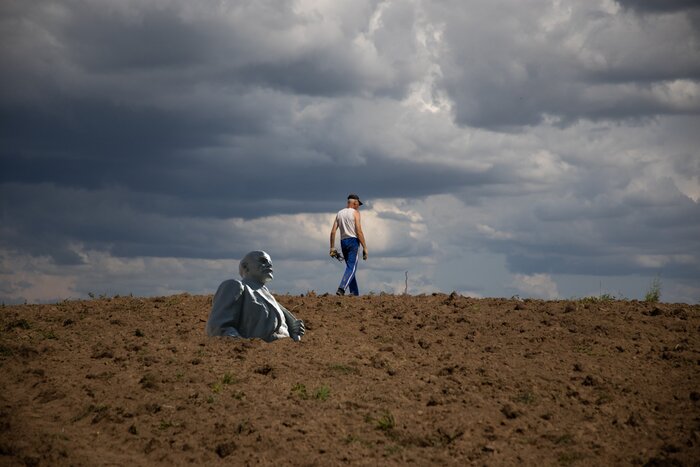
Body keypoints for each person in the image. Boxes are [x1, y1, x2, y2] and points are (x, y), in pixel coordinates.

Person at [206, 250, 305, 342]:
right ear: (245, 267)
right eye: (263, 261)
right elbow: (219, 327)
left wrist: (293, 331)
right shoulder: (235, 286)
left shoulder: (272, 299)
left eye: (270, 262)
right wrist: (245, 346)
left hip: (280, 355)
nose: (269, 265)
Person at [329, 193, 368, 296]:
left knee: (350, 268)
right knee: (352, 268)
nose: (358, 206)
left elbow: (333, 231)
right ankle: (341, 289)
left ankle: (354, 293)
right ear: (354, 203)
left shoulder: (339, 213)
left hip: (343, 241)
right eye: (358, 204)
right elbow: (359, 231)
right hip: (353, 241)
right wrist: (365, 247)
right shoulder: (355, 213)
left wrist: (332, 247)